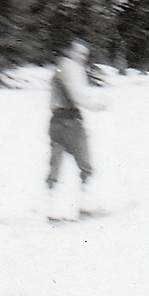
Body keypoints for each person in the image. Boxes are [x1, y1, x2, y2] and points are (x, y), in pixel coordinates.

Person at [46, 40, 107, 206]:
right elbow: (77, 95)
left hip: (56, 121)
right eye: (79, 53)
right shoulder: (72, 68)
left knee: (55, 165)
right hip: (70, 121)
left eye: (85, 54)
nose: (82, 57)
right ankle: (86, 205)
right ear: (71, 52)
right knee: (85, 165)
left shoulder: (60, 66)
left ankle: (51, 205)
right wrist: (97, 105)